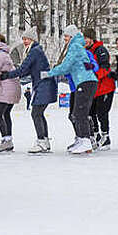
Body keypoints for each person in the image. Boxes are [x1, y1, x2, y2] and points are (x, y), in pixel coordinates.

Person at [0, 27, 58, 153]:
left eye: (27, 38)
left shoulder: (34, 51)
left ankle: (41, 141)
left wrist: (7, 75)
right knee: (39, 113)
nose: (25, 41)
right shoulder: (34, 50)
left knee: (36, 113)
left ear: (33, 39)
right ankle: (45, 141)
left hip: (44, 84)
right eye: (24, 39)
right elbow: (25, 71)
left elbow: (23, 69)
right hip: (44, 84)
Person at [41, 25, 98, 154]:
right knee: (78, 113)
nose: (65, 38)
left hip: (86, 82)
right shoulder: (76, 46)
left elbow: (66, 66)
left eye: (66, 36)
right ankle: (82, 140)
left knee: (80, 113)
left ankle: (86, 141)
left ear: (72, 36)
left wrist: (48, 73)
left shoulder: (75, 47)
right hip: (84, 82)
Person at [83, 29, 115, 150]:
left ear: (91, 39)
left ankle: (106, 137)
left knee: (102, 113)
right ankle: (96, 135)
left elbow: (105, 68)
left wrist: (94, 76)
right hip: (94, 89)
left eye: (86, 38)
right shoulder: (86, 51)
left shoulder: (100, 50)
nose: (84, 40)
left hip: (105, 87)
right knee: (91, 113)